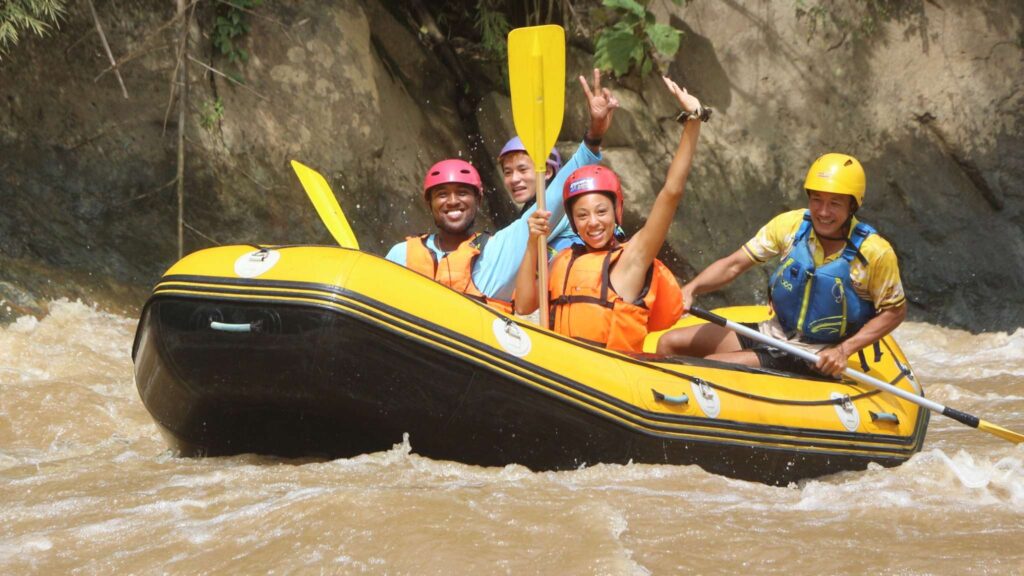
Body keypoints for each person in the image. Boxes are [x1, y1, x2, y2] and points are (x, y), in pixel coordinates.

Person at [655, 153, 907, 377]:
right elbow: (734, 265)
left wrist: (843, 350)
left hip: (813, 353)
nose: (823, 212)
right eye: (817, 200)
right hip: (772, 331)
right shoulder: (791, 225)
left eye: (835, 203)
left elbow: (895, 311)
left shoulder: (874, 252)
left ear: (852, 206)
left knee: (710, 366)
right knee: (670, 343)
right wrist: (691, 289)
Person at [385, 70, 619, 310]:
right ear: (429, 203)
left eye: (463, 193)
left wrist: (593, 136)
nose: (453, 201)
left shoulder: (497, 252)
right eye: (442, 194)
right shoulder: (401, 254)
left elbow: (556, 195)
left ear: (478, 200)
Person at [513, 76, 706, 353]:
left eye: (601, 211)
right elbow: (523, 305)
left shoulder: (632, 259)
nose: (592, 222)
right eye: (581, 215)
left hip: (613, 379)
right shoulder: (562, 261)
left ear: (616, 212)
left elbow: (671, 192)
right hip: (564, 373)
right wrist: (533, 242)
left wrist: (693, 119)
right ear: (572, 221)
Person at [496, 69, 620, 255]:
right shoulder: (529, 213)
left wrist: (595, 132)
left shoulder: (562, 202)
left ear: (547, 172)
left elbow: (581, 160)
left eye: (522, 169)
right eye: (508, 172)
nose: (514, 179)